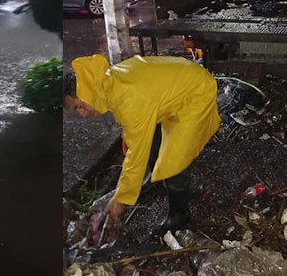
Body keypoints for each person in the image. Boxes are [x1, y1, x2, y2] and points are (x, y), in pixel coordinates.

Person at [63, 54, 220, 235]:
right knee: (152, 139)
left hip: (195, 93)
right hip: (177, 81)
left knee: (175, 158)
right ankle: (156, 177)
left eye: (80, 106)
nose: (83, 114)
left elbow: (136, 154)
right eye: (77, 110)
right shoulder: (106, 81)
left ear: (89, 93)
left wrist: (119, 199)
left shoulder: (130, 99)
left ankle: (179, 215)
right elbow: (136, 120)